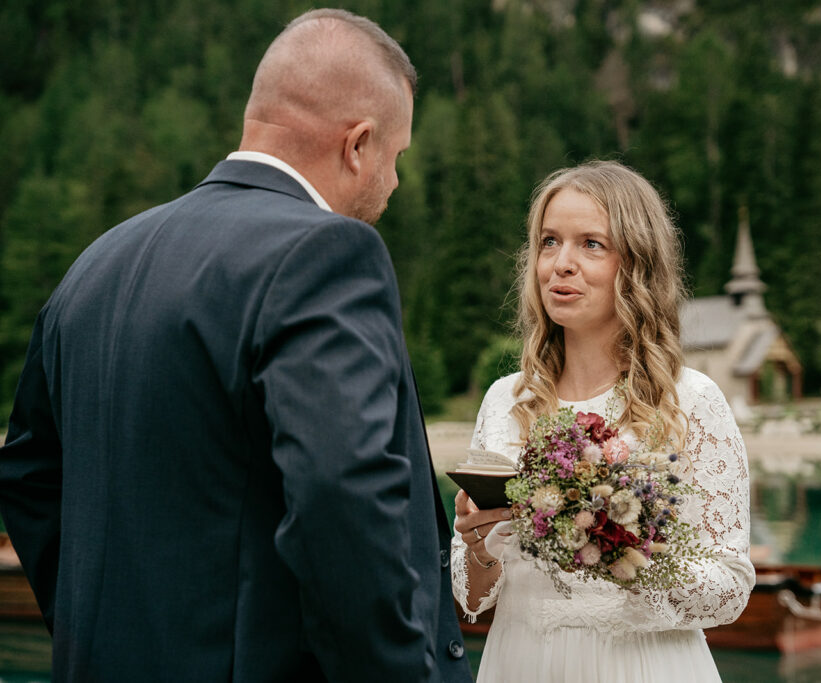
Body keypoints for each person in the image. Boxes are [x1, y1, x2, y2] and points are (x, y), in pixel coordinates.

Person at [0, 9, 471, 682]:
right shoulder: (326, 253)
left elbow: (29, 477)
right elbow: (341, 499)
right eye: (396, 159)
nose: (393, 184)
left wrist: (97, 633)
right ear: (358, 144)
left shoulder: (95, 263)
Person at [451, 161, 755, 682]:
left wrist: (626, 545)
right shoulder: (506, 401)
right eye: (549, 242)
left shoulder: (691, 401)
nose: (560, 264)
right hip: (522, 663)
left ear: (636, 265)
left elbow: (729, 591)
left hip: (642, 667)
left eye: (591, 244)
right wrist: (478, 546)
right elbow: (472, 600)